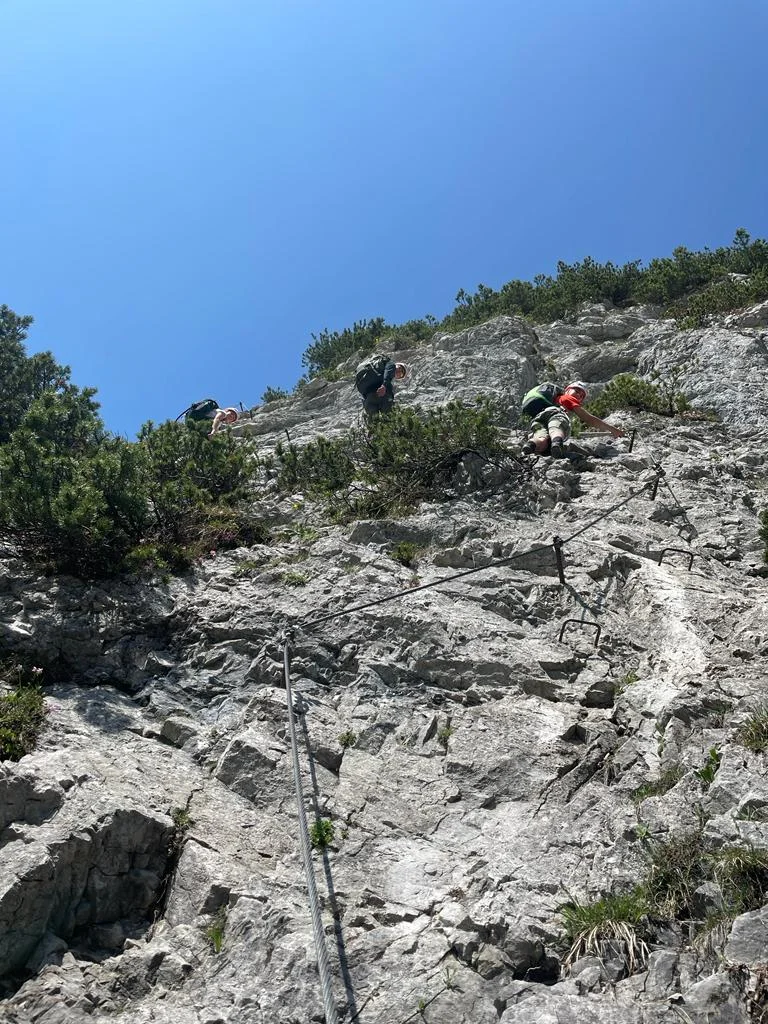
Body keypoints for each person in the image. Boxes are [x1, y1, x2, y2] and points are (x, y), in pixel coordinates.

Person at [520, 381, 623, 457]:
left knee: (542, 436)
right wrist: (613, 429)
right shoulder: (566, 398)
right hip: (556, 414)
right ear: (567, 390)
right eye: (577, 391)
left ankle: (531, 445)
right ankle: (557, 443)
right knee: (557, 427)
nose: (578, 395)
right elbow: (588, 418)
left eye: (581, 396)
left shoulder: (552, 400)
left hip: (538, 417)